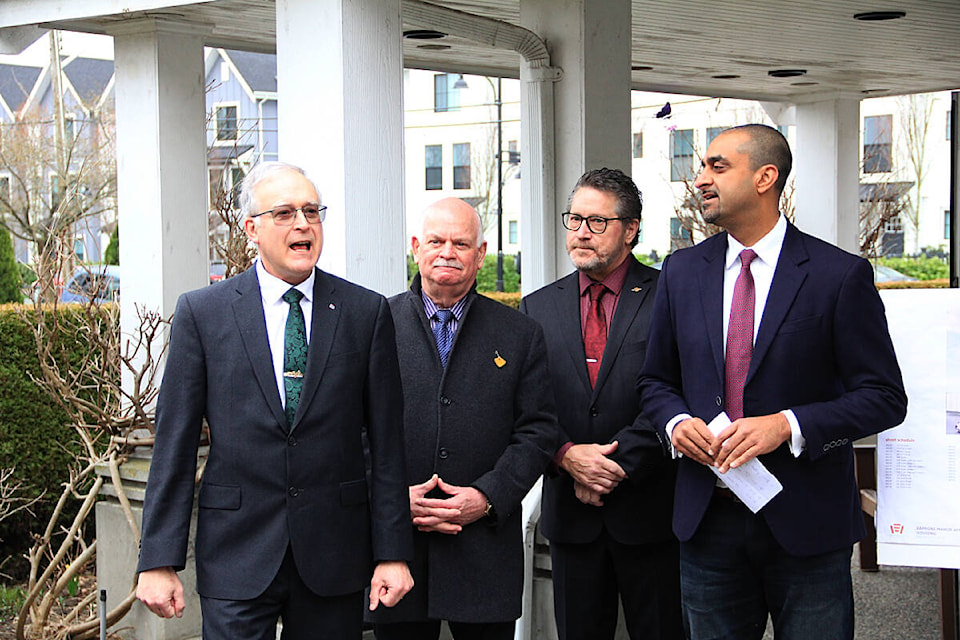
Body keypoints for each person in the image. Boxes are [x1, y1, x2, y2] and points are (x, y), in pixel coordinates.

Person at [638, 124, 907, 639]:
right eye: (702, 168)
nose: (700, 180)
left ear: (765, 177)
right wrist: (674, 424)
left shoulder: (838, 275)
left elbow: (884, 398)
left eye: (717, 166)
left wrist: (788, 425)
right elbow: (655, 380)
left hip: (806, 523)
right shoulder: (681, 271)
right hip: (707, 521)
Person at [135, 161, 414, 639]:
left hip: (334, 555)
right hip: (236, 552)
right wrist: (159, 559)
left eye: (311, 211)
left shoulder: (365, 313)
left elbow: (387, 447)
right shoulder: (202, 314)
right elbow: (173, 446)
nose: (303, 224)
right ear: (252, 228)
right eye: (284, 213)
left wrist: (393, 552)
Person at [367, 197, 559, 640]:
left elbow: (537, 431)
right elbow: (351, 426)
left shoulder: (519, 333)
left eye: (461, 242)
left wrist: (487, 497)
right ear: (416, 246)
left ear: (481, 253)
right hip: (398, 550)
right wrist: (391, 496)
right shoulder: (376, 324)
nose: (447, 251)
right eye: (436, 240)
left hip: (484, 552)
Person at [521, 168, 682, 640]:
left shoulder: (668, 297)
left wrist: (612, 466)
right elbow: (528, 404)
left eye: (597, 222)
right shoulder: (537, 307)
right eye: (574, 220)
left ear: (631, 229)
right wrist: (568, 457)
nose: (581, 234)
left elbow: (677, 390)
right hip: (572, 518)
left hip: (650, 512)